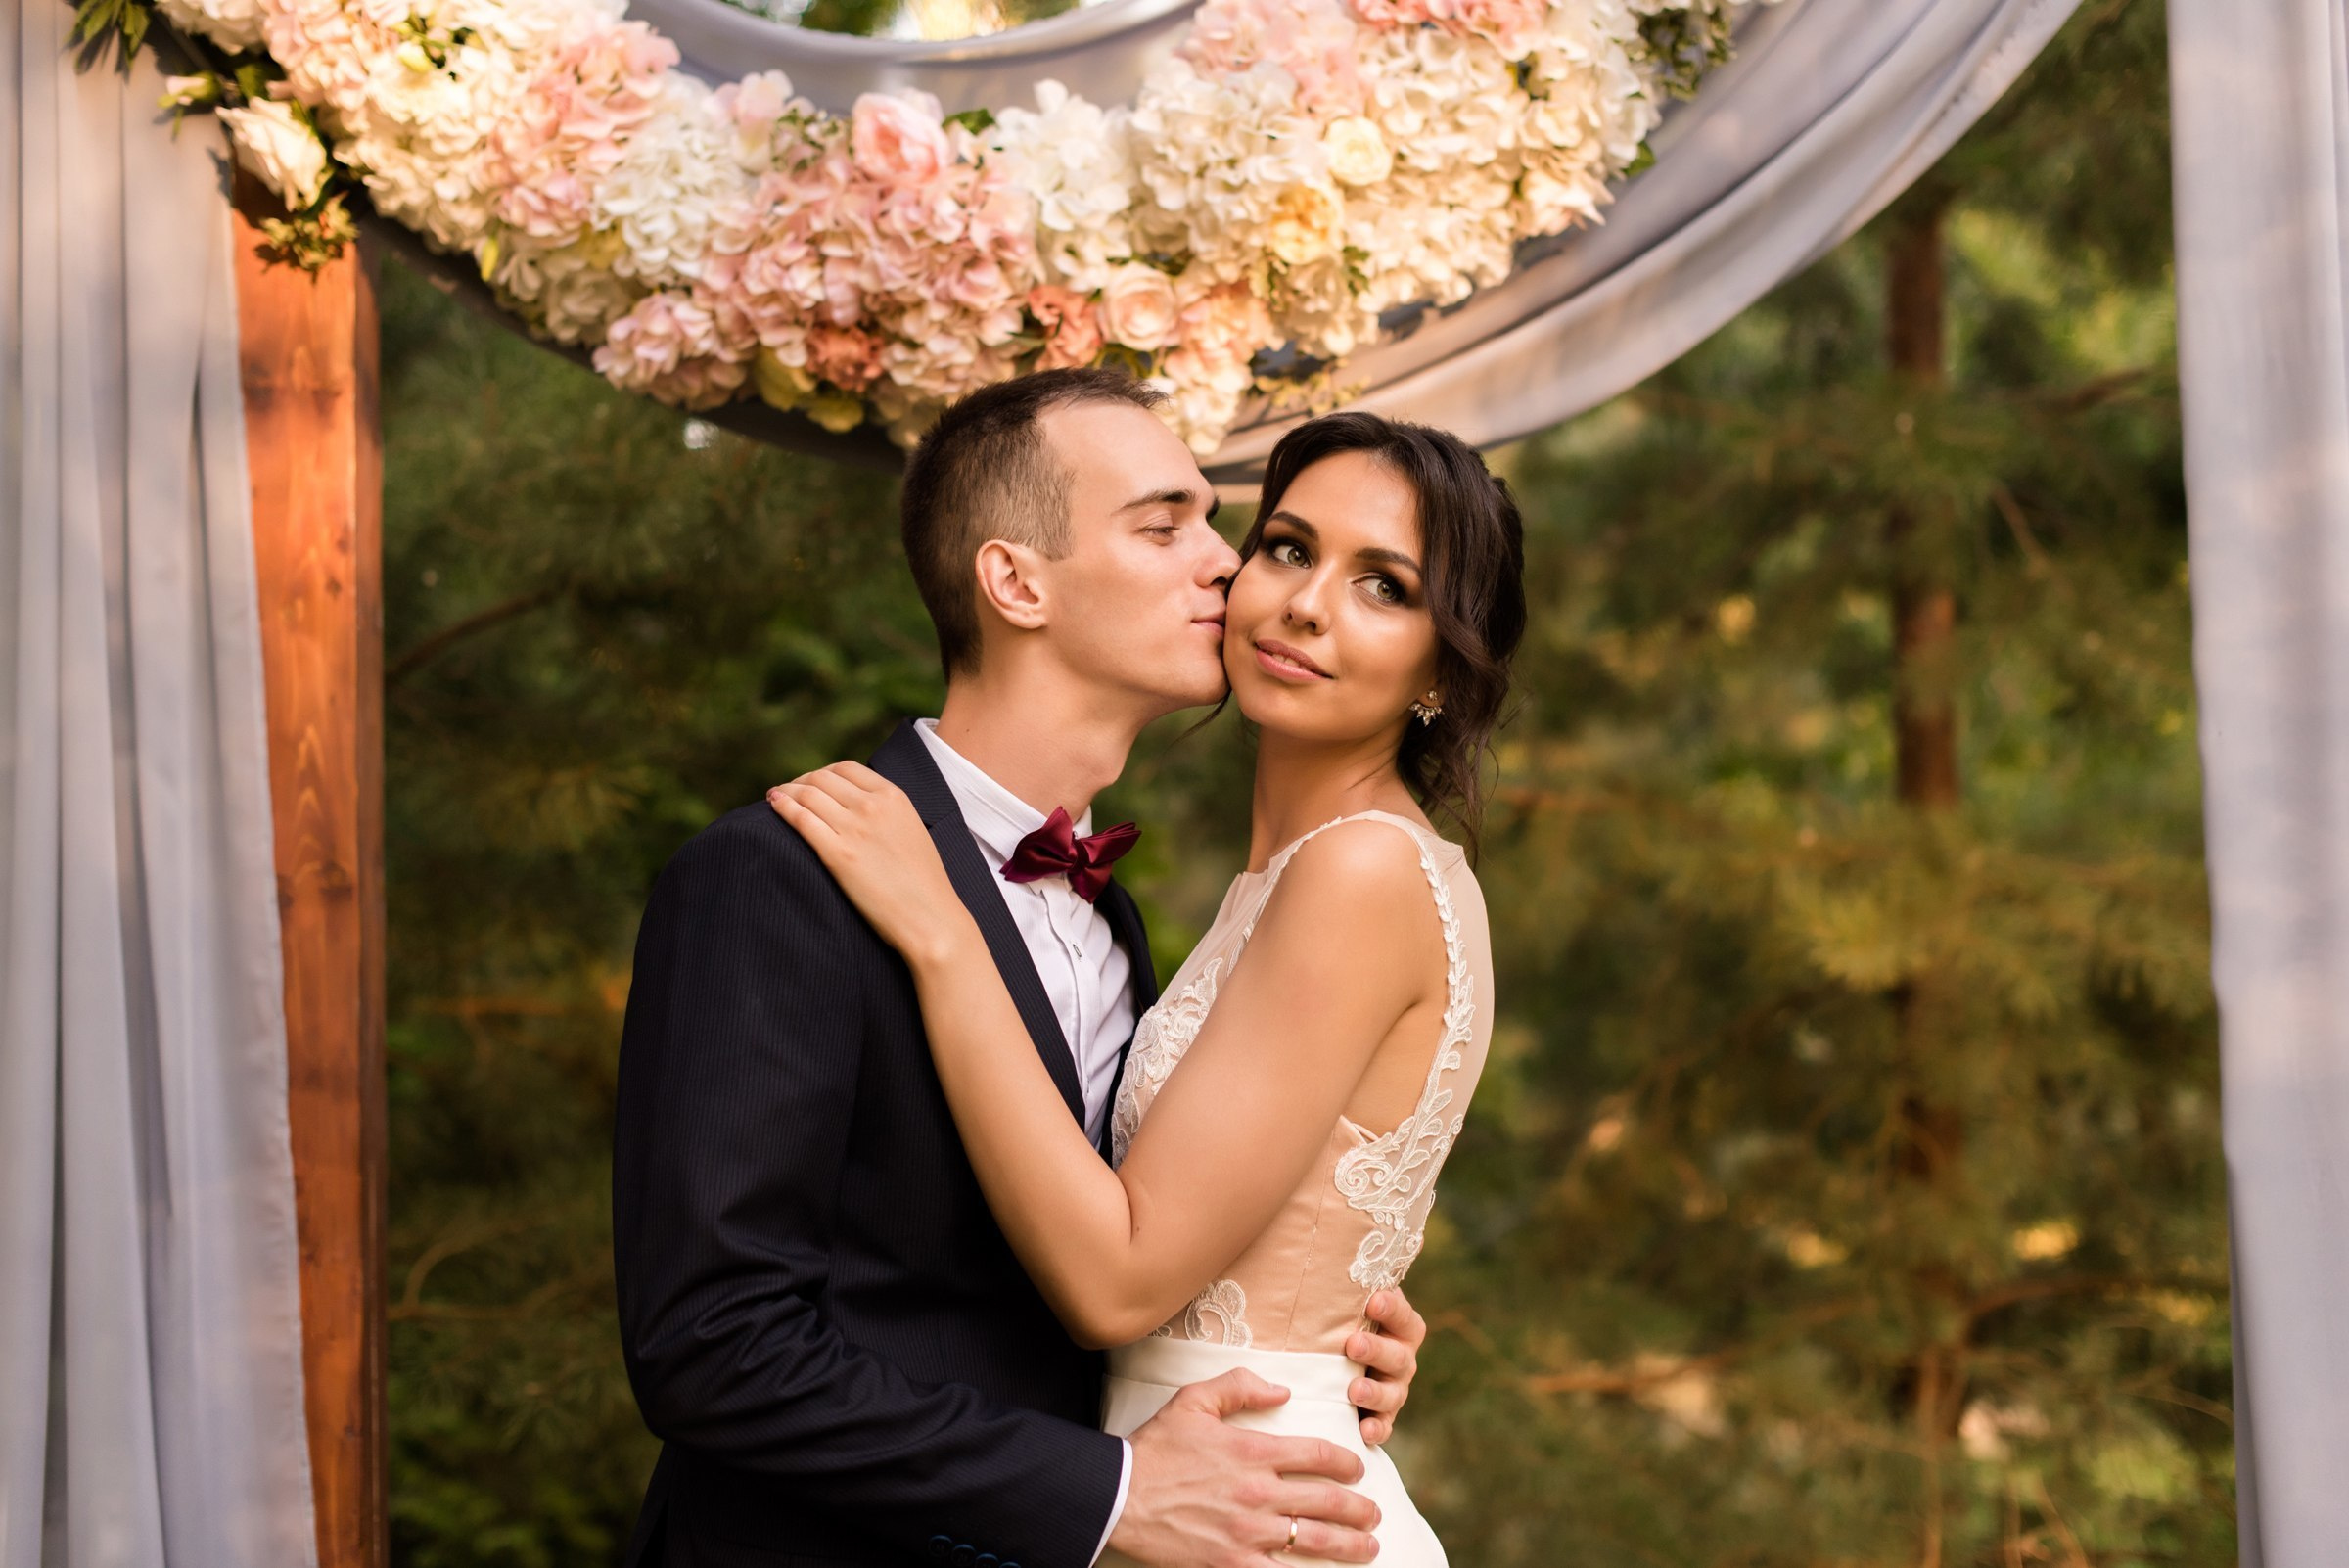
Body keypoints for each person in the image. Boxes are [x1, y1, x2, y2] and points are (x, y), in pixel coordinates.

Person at [612, 369, 1439, 1568]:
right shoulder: (778, 879)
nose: (1225, 565)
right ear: (1015, 583)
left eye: (1217, 526)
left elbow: (1099, 1250)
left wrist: (1313, 1337)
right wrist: (1105, 1496)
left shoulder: (1117, 923)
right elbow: (711, 1347)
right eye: (1163, 526)